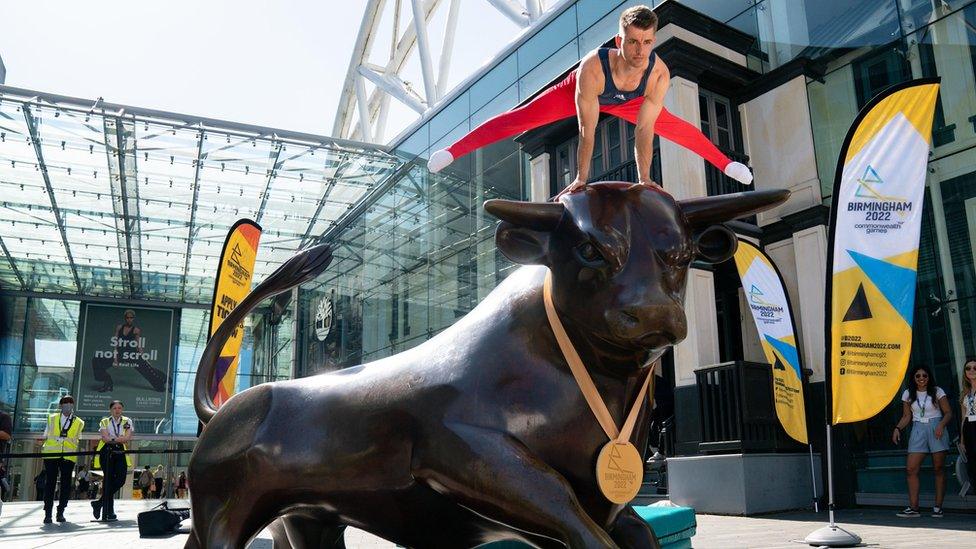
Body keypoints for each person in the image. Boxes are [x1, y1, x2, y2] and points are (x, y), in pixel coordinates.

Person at [427, 5, 753, 192]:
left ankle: (726, 164)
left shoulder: (658, 73)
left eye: (648, 42)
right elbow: (587, 130)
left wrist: (645, 179)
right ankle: (452, 151)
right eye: (633, 42)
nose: (640, 51)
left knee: (678, 128)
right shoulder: (594, 67)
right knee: (519, 118)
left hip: (630, 101)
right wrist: (582, 178)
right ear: (618, 39)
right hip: (580, 93)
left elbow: (644, 132)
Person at [892, 365, 952, 518]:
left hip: (936, 426)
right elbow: (907, 417)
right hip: (918, 428)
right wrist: (897, 428)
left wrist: (941, 425)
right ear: (913, 378)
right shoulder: (907, 393)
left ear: (929, 377)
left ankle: (938, 507)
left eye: (924, 375)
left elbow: (948, 412)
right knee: (911, 469)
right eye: (918, 376)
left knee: (938, 468)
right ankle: (914, 507)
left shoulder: (937, 391)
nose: (921, 379)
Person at [92, 309, 166, 393]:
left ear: (133, 318)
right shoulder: (119, 327)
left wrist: (144, 358)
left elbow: (138, 346)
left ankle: (163, 382)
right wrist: (115, 358)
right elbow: (115, 343)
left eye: (131, 318)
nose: (129, 319)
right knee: (97, 359)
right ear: (125, 318)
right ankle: (108, 382)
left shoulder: (136, 330)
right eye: (127, 318)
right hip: (120, 354)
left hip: (132, 355)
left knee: (148, 369)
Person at [40, 395, 84, 524]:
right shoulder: (52, 418)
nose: (68, 405)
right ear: (60, 405)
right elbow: (46, 434)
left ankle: (61, 512)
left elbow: (77, 438)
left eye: (70, 403)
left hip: (68, 456)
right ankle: (48, 513)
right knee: (50, 483)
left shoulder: (79, 422)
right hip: (52, 454)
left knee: (66, 484)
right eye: (65, 403)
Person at [91, 400, 133, 522]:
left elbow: (127, 438)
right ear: (111, 410)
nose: (117, 410)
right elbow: (105, 438)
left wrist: (113, 438)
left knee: (120, 480)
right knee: (108, 481)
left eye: (119, 408)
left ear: (122, 409)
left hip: (119, 451)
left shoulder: (127, 421)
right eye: (115, 408)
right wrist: (118, 438)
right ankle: (109, 511)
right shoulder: (105, 421)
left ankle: (99, 503)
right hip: (107, 451)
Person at [959, 358, 976, 495]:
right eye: (968, 368)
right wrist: (962, 440)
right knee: (973, 467)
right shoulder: (965, 393)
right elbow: (963, 419)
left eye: (975, 368)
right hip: (969, 429)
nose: (971, 370)